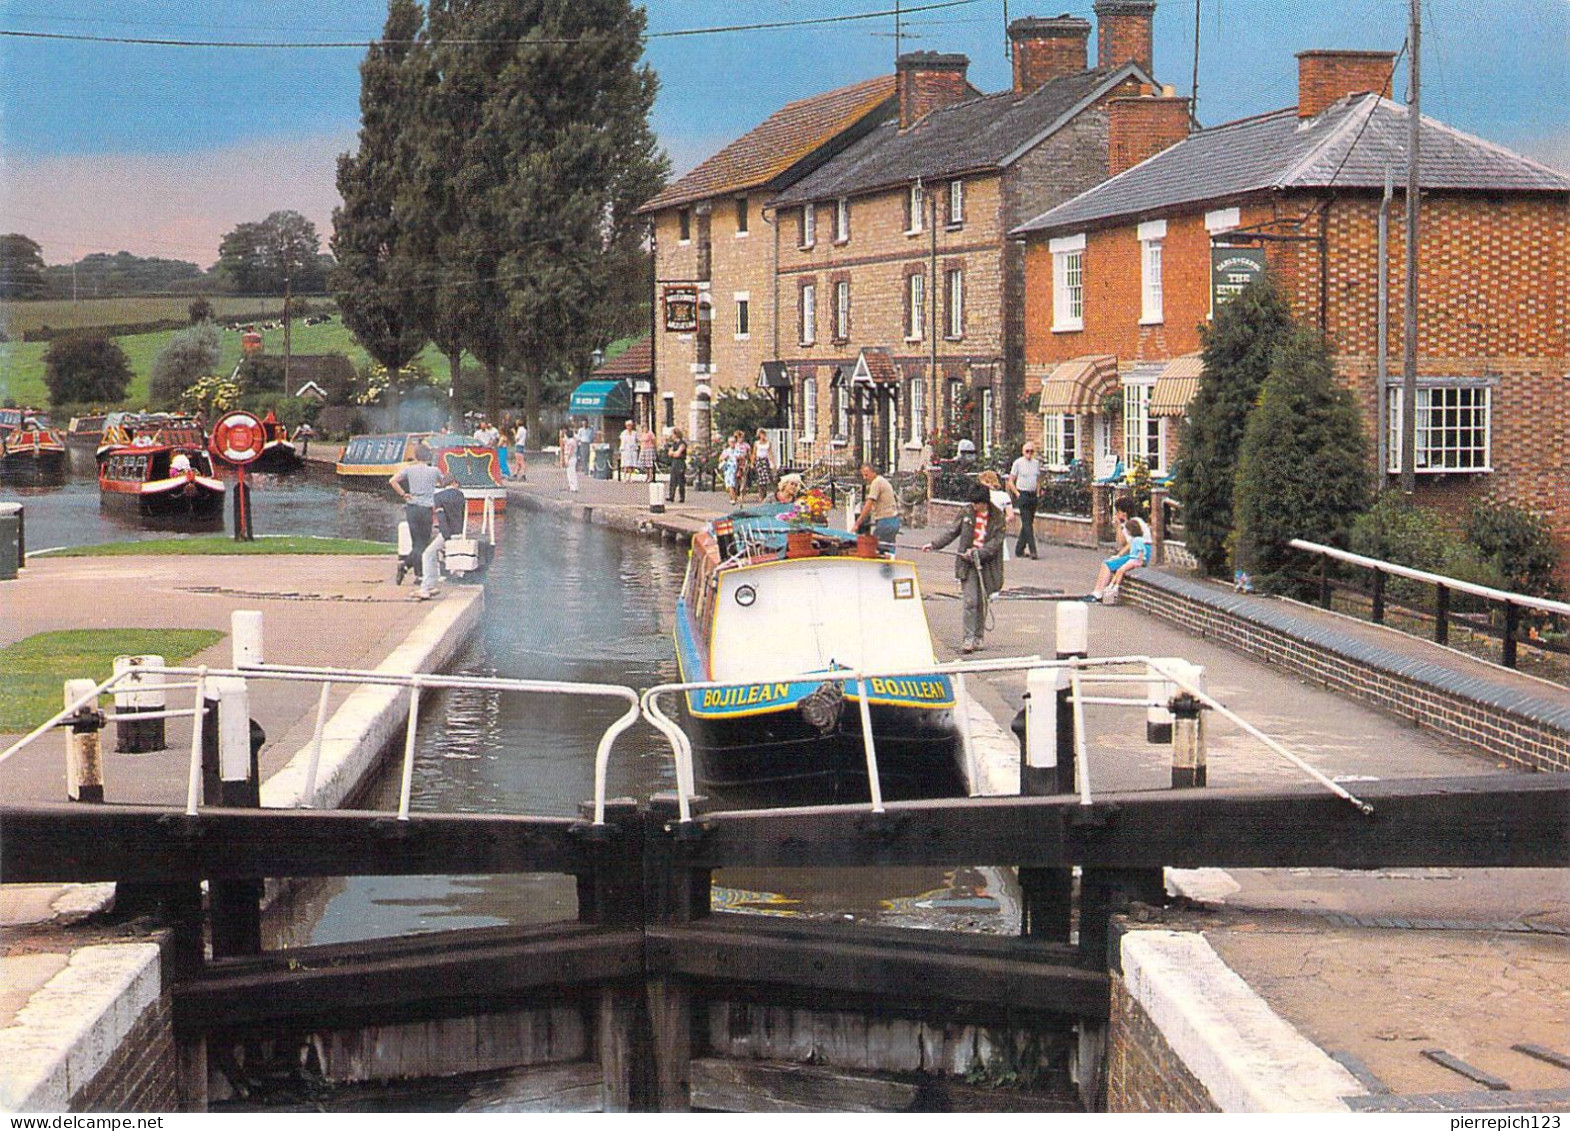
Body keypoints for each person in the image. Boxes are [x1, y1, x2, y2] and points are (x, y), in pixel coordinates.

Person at [923, 482, 1005, 653]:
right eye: (973, 503)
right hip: (967, 564)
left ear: (985, 502)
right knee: (970, 601)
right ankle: (968, 638)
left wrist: (979, 553)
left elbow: (996, 542)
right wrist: (934, 544)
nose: (975, 507)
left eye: (978, 504)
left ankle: (978, 637)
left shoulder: (998, 516)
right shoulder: (966, 512)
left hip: (987, 564)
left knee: (982, 601)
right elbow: (952, 532)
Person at [390, 443, 455, 588]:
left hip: (412, 507)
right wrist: (452, 474)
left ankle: (416, 574)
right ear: (428, 456)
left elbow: (392, 481)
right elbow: (444, 483)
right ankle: (407, 567)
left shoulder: (409, 469)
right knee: (423, 544)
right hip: (426, 509)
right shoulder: (434, 471)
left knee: (416, 543)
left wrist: (403, 494)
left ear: (416, 456)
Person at [1087, 497, 1153, 603]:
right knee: (1109, 562)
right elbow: (1125, 543)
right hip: (1138, 552)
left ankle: (1098, 593)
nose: (1117, 514)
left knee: (1107, 564)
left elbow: (1125, 543)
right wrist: (1119, 554)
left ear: (1123, 513)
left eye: (1118, 511)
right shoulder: (1133, 522)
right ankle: (1097, 591)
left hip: (1138, 555)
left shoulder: (1132, 524)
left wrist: (1118, 526)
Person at [414, 483, 468, 601]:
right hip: (457, 531)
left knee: (428, 554)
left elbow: (441, 517)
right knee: (435, 554)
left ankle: (426, 587)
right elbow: (462, 515)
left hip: (447, 533)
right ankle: (431, 583)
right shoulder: (460, 495)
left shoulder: (439, 497)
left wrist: (445, 535)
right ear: (455, 483)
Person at [1008, 443, 1043, 559]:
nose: (1029, 454)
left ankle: (1019, 549)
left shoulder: (1036, 464)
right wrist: (1017, 493)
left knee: (1028, 522)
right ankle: (1033, 550)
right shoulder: (1018, 463)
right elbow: (1011, 481)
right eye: (1027, 451)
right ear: (1023, 452)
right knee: (1027, 523)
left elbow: (1038, 480)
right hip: (1022, 494)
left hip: (1032, 495)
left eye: (1031, 451)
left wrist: (1038, 493)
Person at [853, 462, 900, 549]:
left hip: (886, 521)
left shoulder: (876, 483)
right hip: (893, 519)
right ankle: (890, 561)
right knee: (888, 548)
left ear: (873, 473)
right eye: (863, 475)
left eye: (866, 475)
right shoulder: (882, 480)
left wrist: (857, 523)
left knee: (873, 547)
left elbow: (869, 504)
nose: (865, 478)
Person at [977, 469, 1014, 560]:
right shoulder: (1004, 496)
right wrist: (1000, 522)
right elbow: (1011, 516)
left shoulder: (981, 496)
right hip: (997, 530)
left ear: (988, 482)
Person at [665, 428, 688, 503]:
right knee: (673, 480)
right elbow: (670, 453)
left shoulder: (682, 443)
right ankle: (671, 496)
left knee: (680, 480)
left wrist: (674, 453)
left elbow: (678, 453)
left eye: (672, 434)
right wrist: (673, 453)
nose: (671, 436)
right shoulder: (674, 444)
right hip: (674, 462)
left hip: (680, 462)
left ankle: (682, 497)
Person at [752, 428, 774, 500]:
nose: (763, 436)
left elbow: (770, 453)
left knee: (765, 478)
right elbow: (754, 453)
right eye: (761, 434)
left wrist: (773, 462)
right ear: (759, 435)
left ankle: (764, 494)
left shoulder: (768, 443)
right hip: (759, 461)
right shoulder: (756, 443)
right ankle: (761, 494)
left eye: (764, 434)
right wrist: (752, 462)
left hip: (765, 460)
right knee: (761, 478)